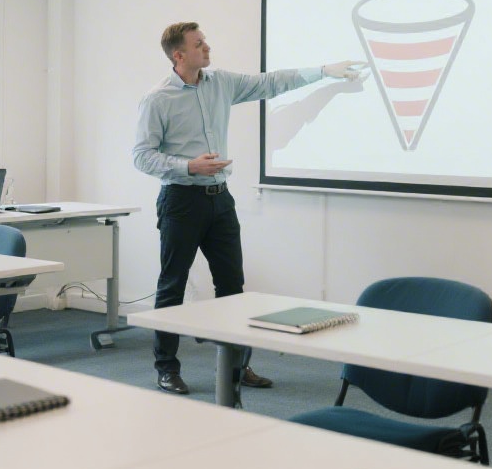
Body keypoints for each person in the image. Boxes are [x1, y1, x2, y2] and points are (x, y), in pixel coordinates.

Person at [132, 21, 365, 394]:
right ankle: (167, 368)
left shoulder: (220, 83)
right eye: (199, 43)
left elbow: (271, 82)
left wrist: (322, 72)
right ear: (179, 55)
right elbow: (142, 157)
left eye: (205, 40)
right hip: (180, 201)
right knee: (171, 287)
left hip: (219, 200)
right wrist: (188, 166)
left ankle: (237, 368)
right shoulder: (157, 99)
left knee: (233, 287)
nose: (207, 47)